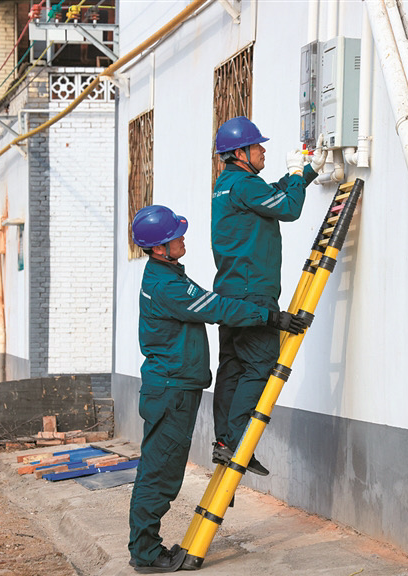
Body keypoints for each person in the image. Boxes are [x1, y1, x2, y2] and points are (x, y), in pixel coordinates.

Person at [127, 204, 305, 573]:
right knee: (160, 473)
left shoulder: (169, 273)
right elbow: (215, 307)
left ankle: (146, 548)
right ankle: (146, 553)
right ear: (159, 248)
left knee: (162, 469)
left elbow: (212, 303)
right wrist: (270, 317)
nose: (183, 238)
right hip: (171, 391)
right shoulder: (166, 285)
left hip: (174, 387)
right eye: (176, 235)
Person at [210, 116, 326, 476]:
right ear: (240, 153)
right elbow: (288, 208)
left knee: (232, 368)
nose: (263, 151)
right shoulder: (245, 185)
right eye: (257, 146)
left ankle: (224, 442)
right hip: (253, 292)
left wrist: (308, 172)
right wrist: (296, 174)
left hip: (231, 290)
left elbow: (273, 196)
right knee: (260, 365)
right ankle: (239, 442)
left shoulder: (228, 184)